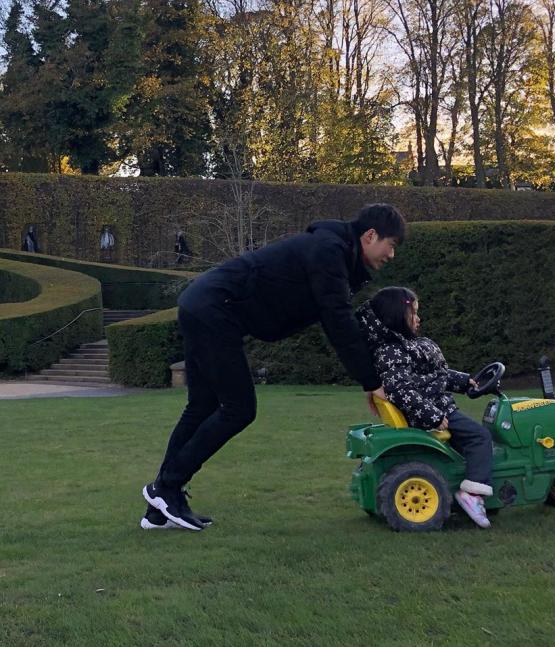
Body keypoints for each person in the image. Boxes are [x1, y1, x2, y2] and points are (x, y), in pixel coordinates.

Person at [141, 203, 406, 531]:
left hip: (203, 304)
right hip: (213, 310)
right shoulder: (329, 251)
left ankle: (160, 508)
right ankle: (166, 487)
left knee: (202, 406)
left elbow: (341, 315)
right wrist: (370, 380)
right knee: (239, 409)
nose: (391, 255)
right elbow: (338, 321)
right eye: (391, 245)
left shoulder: (336, 253)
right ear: (370, 236)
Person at [356, 286, 494, 529]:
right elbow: (401, 390)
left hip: (433, 408)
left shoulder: (405, 347)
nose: (418, 318)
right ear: (397, 318)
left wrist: (465, 381)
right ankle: (473, 494)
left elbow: (435, 376)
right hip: (432, 413)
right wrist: (432, 416)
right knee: (480, 437)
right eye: (413, 313)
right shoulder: (393, 352)